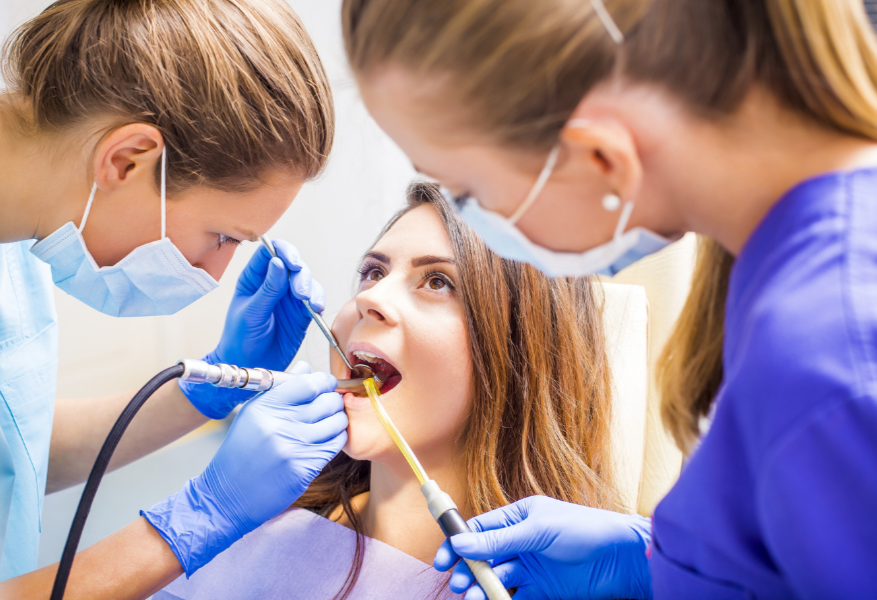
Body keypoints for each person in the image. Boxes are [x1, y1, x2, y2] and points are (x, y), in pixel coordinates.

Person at [340, 0, 877, 598]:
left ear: (602, 157)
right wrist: (654, 563)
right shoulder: (786, 279)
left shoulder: (831, 354)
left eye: (468, 191)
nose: (374, 300)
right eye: (370, 271)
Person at [0, 0, 348, 597]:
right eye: (222, 237)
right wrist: (192, 522)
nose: (215, 274)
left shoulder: (19, 240)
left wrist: (203, 393)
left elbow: (16, 451)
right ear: (128, 159)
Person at [152, 181, 636, 599]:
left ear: (522, 354)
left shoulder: (568, 578)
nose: (369, 297)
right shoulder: (253, 519)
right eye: (374, 272)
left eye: (439, 281)